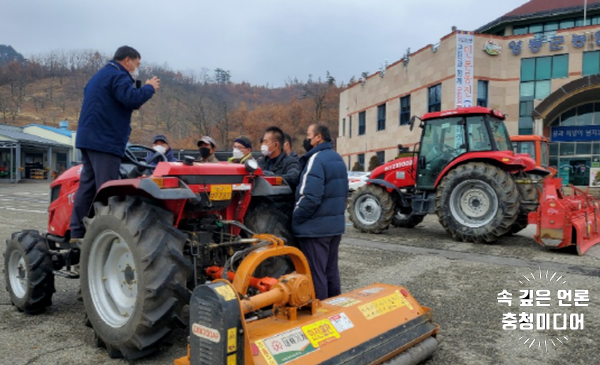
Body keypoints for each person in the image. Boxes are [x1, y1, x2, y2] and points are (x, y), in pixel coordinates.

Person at [69, 46, 160, 242]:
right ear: (128, 60)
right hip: (105, 139)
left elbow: (122, 101)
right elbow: (130, 98)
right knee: (108, 188)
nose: (137, 67)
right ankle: (105, 233)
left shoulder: (99, 76)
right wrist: (149, 87)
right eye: (137, 63)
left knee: (88, 185)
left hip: (89, 138)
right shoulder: (118, 75)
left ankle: (77, 231)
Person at [292, 123, 348, 300]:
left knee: (316, 274)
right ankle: (335, 308)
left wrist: (296, 217)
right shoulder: (337, 158)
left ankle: (320, 312)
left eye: (308, 135)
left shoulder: (316, 159)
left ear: (318, 137)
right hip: (334, 227)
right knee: (331, 271)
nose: (306, 139)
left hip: (315, 229)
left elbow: (310, 196)